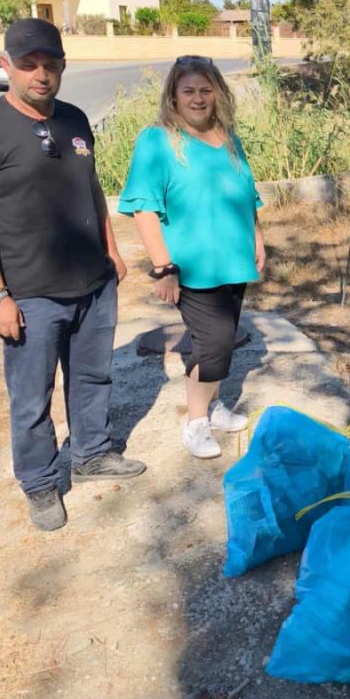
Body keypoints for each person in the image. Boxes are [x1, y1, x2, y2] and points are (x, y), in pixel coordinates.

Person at [0, 18, 146, 532]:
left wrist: (110, 250)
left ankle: (91, 453)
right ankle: (41, 483)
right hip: (29, 293)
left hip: (92, 283)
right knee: (31, 396)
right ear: (7, 67)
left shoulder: (74, 118)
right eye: (28, 65)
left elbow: (89, 190)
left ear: (62, 65)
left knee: (93, 377)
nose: (40, 75)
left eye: (51, 64)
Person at [118, 56, 265, 460]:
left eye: (205, 89)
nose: (198, 99)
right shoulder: (158, 140)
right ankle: (196, 422)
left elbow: (246, 193)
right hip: (191, 266)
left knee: (222, 340)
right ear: (174, 96)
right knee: (214, 342)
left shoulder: (228, 136)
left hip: (232, 260)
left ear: (217, 92)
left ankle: (214, 407)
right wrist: (163, 267)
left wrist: (257, 237)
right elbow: (144, 207)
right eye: (189, 91)